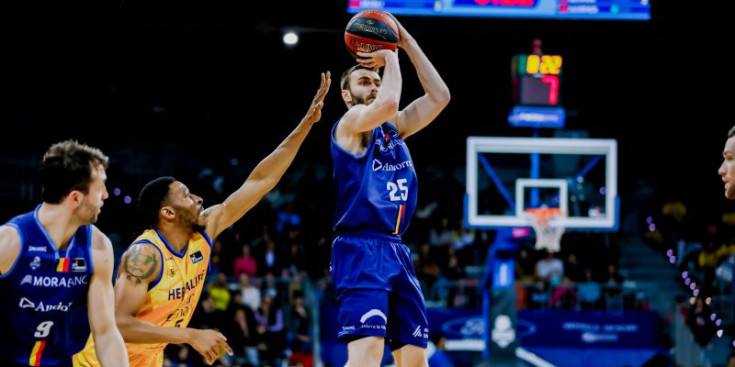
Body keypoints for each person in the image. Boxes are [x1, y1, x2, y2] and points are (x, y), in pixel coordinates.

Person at [73, 71, 331, 367]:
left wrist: (306, 125)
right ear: (167, 213)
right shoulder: (144, 256)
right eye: (186, 195)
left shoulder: (205, 230)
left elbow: (260, 181)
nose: (198, 199)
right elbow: (117, 324)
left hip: (148, 360)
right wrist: (190, 335)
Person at [330, 13, 450, 366]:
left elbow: (440, 96)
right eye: (365, 81)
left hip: (396, 249)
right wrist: (390, 57)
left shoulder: (393, 129)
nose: (375, 85)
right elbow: (388, 104)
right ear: (347, 95)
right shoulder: (350, 124)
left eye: (377, 80)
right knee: (366, 354)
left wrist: (405, 42)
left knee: (415, 360)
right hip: (359, 247)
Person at [0, 140, 128, 367]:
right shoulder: (10, 242)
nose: (106, 195)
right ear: (76, 198)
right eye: (100, 188)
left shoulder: (99, 247)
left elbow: (106, 334)